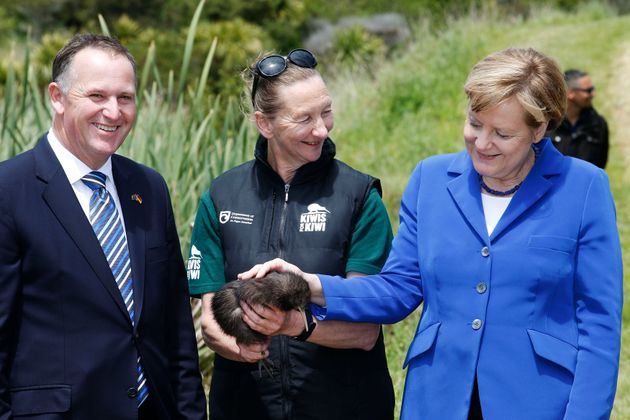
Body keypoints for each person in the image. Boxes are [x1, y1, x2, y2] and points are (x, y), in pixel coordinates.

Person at [240, 48, 623, 419]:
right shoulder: (432, 179)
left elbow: (599, 324)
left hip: (537, 402)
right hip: (437, 398)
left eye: (502, 135)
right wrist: (309, 285)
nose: (483, 143)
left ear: (539, 129)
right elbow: (397, 289)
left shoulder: (583, 187)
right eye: (475, 124)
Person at [0, 34, 207, 419]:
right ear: (57, 98)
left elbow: (175, 324)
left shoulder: (149, 187)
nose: (113, 112)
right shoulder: (9, 191)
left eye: (125, 97)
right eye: (97, 96)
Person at [187, 48, 395, 419]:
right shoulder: (220, 196)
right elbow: (210, 321)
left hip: (343, 406)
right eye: (304, 119)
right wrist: (237, 345)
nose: (322, 128)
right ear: (264, 124)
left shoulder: (360, 196)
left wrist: (293, 326)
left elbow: (366, 329)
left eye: (326, 111)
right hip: (245, 406)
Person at [549, 69, 609, 168]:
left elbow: (601, 164)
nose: (593, 94)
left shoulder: (598, 125)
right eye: (588, 91)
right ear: (570, 93)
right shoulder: (548, 124)